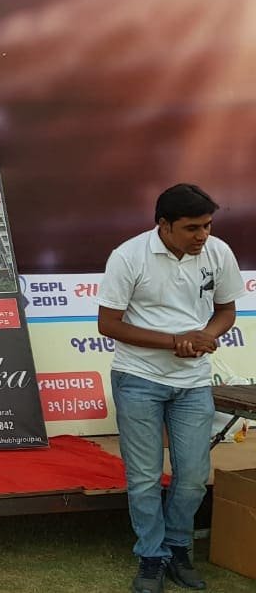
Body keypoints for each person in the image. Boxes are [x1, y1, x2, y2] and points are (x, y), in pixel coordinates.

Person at [96, 184, 245, 593]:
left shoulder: (219, 252)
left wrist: (206, 335)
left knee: (193, 476)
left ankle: (178, 548)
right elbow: (108, 324)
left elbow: (226, 310)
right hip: (138, 378)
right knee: (145, 477)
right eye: (192, 228)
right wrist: (174, 341)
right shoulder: (128, 256)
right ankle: (151, 556)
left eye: (208, 225)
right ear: (164, 225)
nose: (203, 235)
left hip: (193, 383)